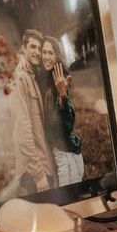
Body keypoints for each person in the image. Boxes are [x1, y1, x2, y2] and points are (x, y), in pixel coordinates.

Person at [8, 28, 57, 196]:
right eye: (33, 47)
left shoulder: (31, 77)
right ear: (23, 48)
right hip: (34, 172)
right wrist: (38, 175)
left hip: (44, 165)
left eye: (39, 48)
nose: (37, 52)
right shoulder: (19, 79)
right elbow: (22, 131)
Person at [39, 36, 84, 187]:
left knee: (71, 189)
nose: (46, 57)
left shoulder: (60, 80)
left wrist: (63, 94)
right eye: (43, 52)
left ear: (57, 55)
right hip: (57, 147)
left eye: (50, 53)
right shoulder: (44, 78)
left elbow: (67, 122)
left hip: (64, 148)